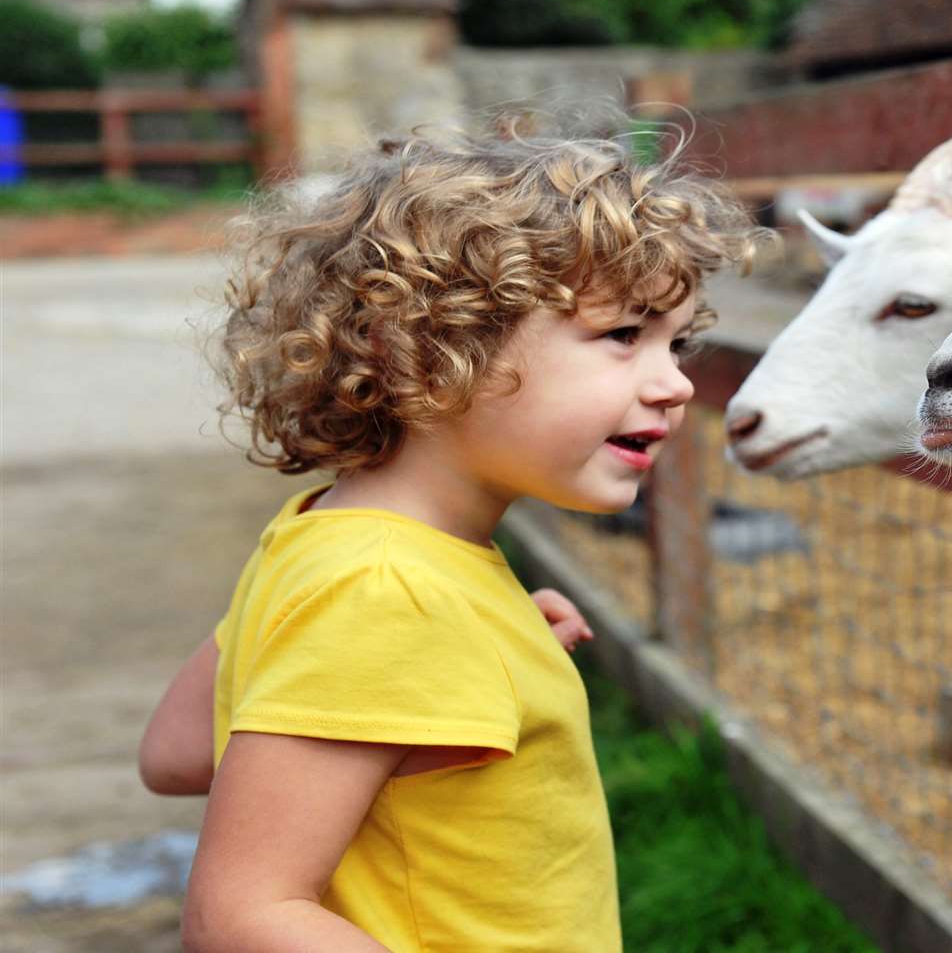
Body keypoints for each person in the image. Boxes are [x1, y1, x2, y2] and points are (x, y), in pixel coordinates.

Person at [136, 126, 754, 951]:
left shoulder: (334, 544)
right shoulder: (389, 591)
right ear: (427, 353)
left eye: (675, 342)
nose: (676, 382)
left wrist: (460, 656)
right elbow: (240, 916)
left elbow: (178, 750)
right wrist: (419, 639)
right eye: (622, 335)